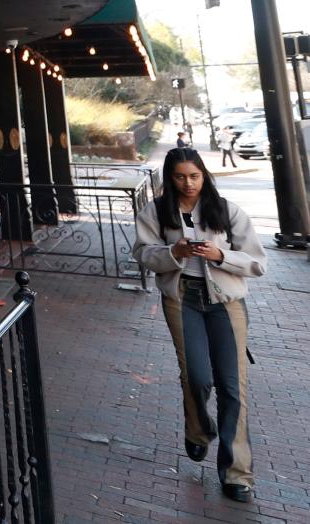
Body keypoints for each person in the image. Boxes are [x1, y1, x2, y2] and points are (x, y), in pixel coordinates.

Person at [136, 148, 266, 504]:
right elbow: (144, 254)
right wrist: (173, 252)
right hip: (182, 298)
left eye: (194, 176)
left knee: (232, 386)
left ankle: (237, 473)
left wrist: (221, 255)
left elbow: (257, 262)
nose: (188, 183)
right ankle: (197, 430)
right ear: (170, 178)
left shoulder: (225, 210)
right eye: (180, 177)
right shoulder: (156, 212)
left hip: (226, 301)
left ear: (204, 175)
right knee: (196, 375)